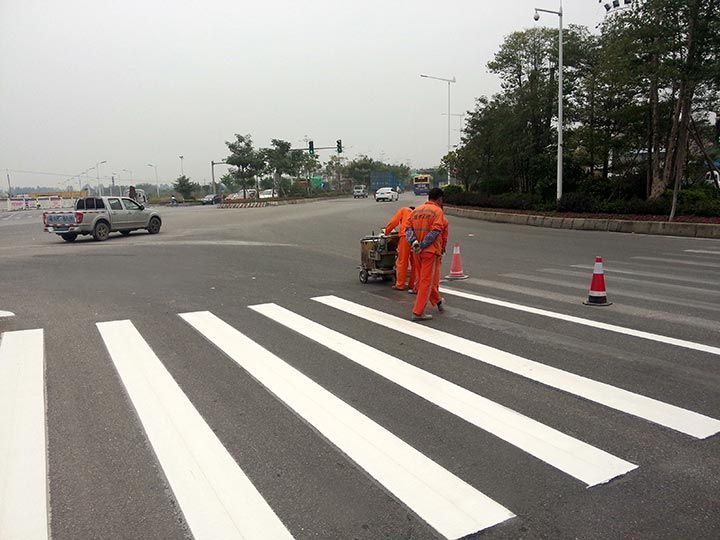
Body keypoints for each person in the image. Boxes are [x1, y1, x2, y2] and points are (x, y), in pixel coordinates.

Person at [405, 188, 448, 321]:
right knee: (426, 281)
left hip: (416, 251)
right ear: (439, 199)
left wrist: (415, 243)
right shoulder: (437, 211)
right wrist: (423, 245)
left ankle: (438, 302)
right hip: (429, 251)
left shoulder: (417, 210)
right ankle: (418, 312)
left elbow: (408, 229)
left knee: (424, 278)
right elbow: (436, 232)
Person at [383, 206, 416, 291]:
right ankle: (413, 284)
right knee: (415, 263)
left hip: (405, 237)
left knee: (402, 261)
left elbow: (394, 222)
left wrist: (386, 232)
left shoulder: (404, 210)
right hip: (416, 238)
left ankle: (400, 284)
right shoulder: (417, 213)